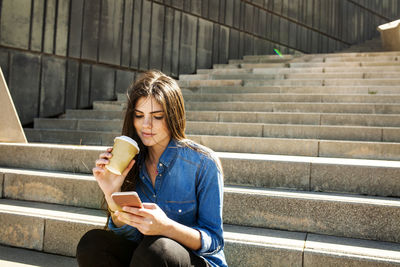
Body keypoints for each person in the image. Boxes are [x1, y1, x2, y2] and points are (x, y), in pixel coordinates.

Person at [76, 70, 227, 267]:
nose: (146, 125)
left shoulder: (203, 163)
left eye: (157, 116)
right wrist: (111, 194)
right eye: (139, 115)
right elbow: (130, 235)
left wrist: (166, 227)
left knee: (158, 249)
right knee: (93, 243)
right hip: (146, 259)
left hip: (192, 261)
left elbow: (214, 241)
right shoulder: (131, 161)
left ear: (173, 116)